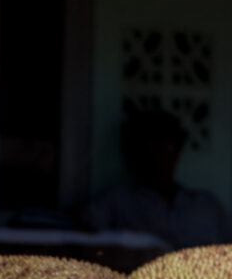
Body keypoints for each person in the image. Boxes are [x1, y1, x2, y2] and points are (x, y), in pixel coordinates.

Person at [79, 107, 232, 249]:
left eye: (166, 147)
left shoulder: (206, 206)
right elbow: (82, 234)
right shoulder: (115, 202)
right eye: (150, 148)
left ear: (177, 152)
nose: (158, 157)